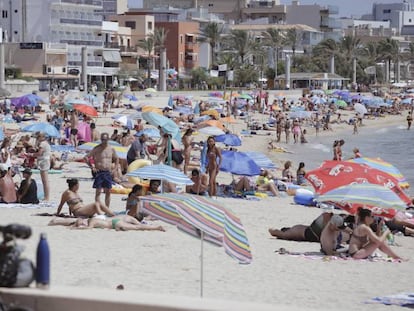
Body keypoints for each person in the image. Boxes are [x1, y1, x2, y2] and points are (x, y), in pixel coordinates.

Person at [84, 133, 119, 208]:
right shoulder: (97, 148)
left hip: (108, 172)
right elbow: (86, 157)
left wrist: (115, 169)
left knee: (108, 192)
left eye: (105, 140)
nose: (103, 141)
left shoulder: (111, 149)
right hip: (99, 171)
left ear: (108, 139)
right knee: (98, 192)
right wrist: (92, 167)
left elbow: (116, 159)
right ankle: (98, 209)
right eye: (102, 139)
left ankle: (107, 208)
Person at [269, 212, 340, 242]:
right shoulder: (297, 229)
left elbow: (273, 232)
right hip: (312, 232)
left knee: (284, 235)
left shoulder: (297, 229)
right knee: (285, 235)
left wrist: (273, 231)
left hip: (311, 233)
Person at [48, 215, 165, 232]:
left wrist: (76, 229)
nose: (80, 223)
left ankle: (156, 227)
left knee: (137, 227)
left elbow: (88, 228)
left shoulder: (93, 220)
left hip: (115, 224)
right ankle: (155, 227)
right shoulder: (94, 219)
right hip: (115, 221)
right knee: (136, 226)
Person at [31, 132, 51, 201]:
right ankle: (46, 196)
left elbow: (39, 153)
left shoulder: (42, 144)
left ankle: (47, 197)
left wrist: (31, 155)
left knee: (45, 180)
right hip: (45, 161)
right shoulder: (46, 143)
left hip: (44, 162)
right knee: (45, 180)